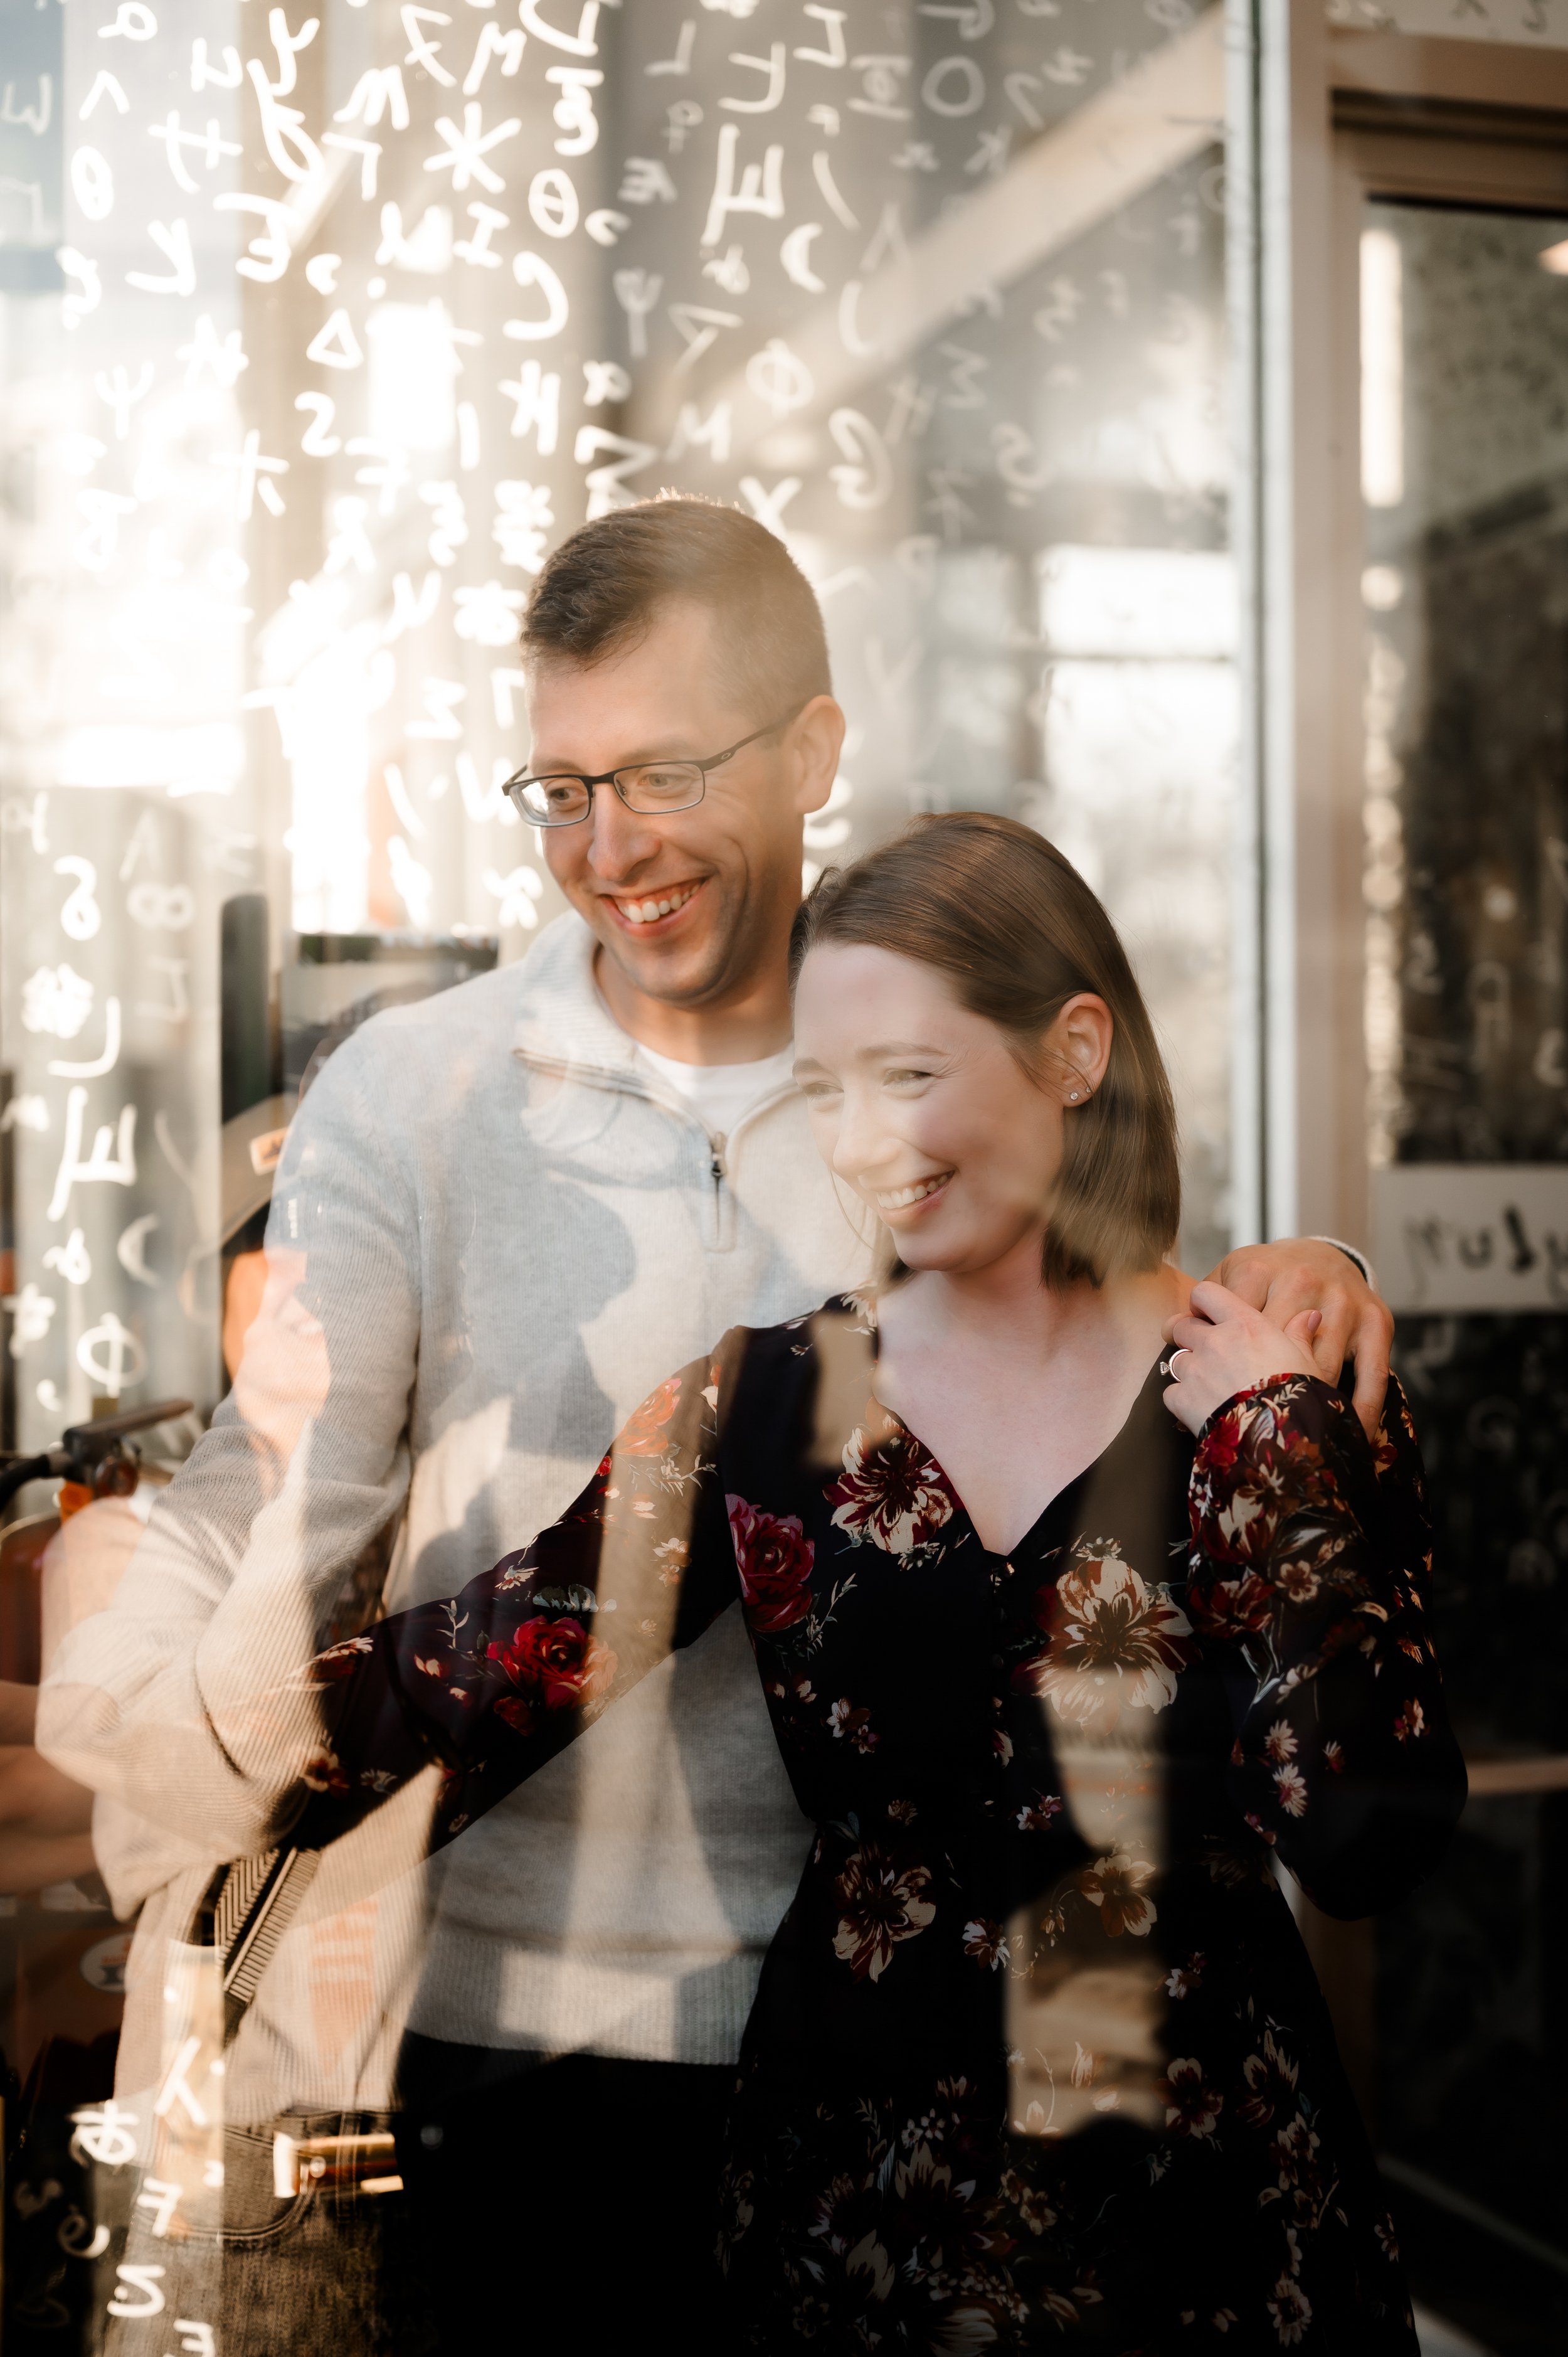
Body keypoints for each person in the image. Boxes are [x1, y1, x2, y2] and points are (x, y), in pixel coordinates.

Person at [38, 501, 1397, 2353]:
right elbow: (352, 1553)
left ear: (810, 752)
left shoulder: (975, 1086)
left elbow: (1175, 1425)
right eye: (559, 787)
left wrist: (1305, 1316)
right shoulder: (428, 1104)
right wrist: (121, 1704)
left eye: (661, 771)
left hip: (1110, 2153)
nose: (609, 846)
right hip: (558, 2048)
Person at [289, 812, 1466, 2350]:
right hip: (851, 2241)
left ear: (1072, 1051)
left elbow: (1364, 1833)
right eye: (827, 1091)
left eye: (906, 1076)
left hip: (1218, 2244)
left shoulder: (1273, 1397)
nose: (858, 1143)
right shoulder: (774, 1401)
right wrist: (117, 1736)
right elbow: (456, 1686)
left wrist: (1270, 1439)